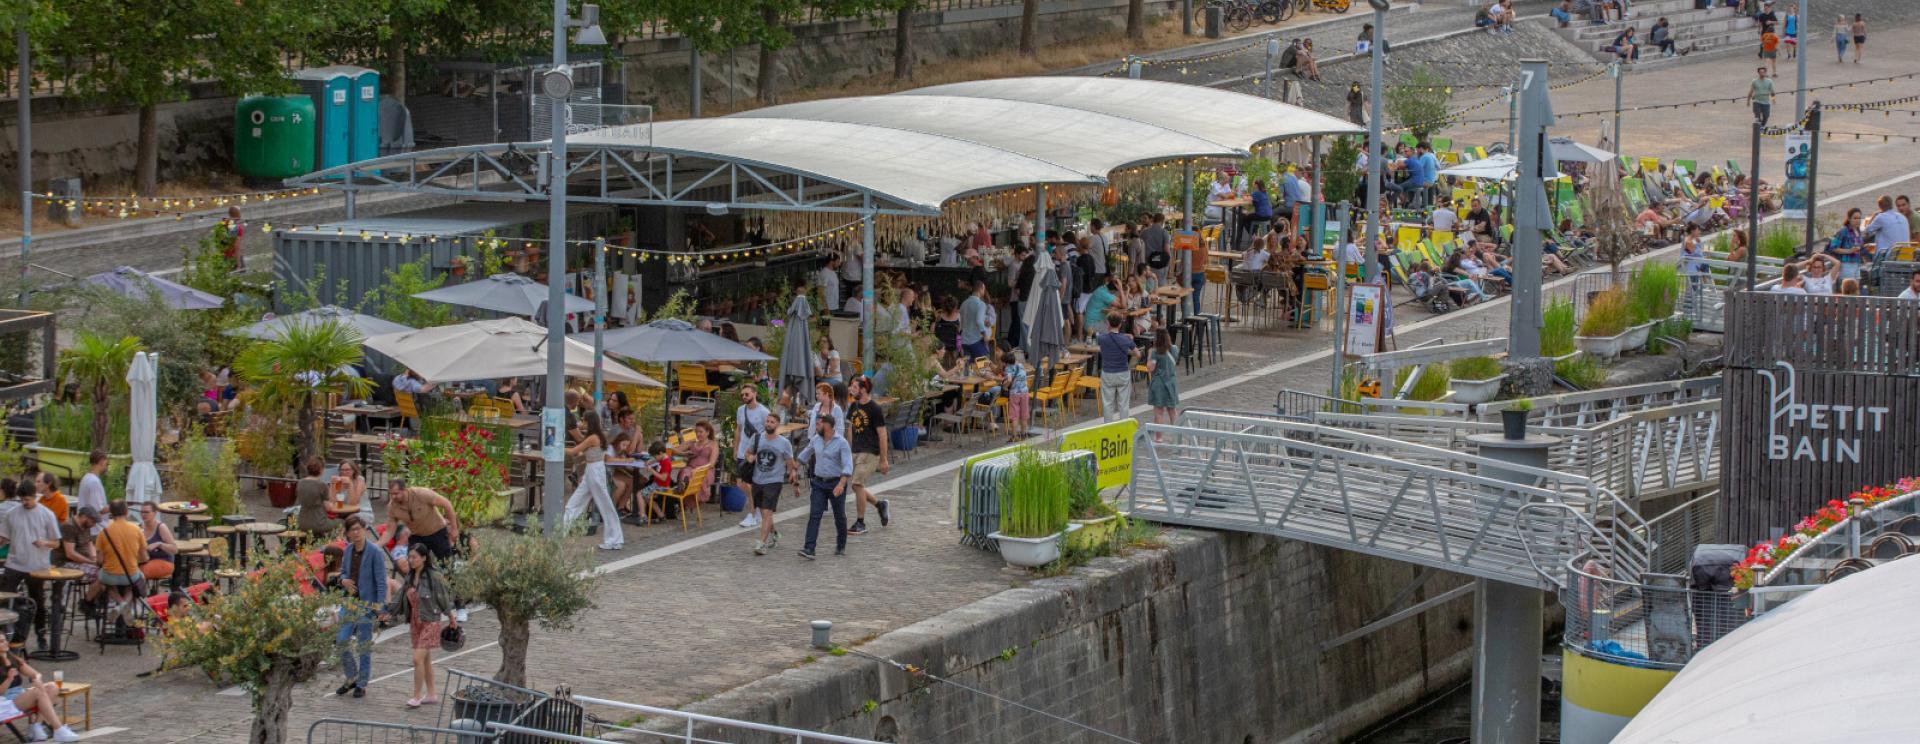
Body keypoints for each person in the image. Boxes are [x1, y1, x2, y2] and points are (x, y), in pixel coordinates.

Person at [330, 517, 387, 699]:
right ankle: (351, 676)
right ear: (347, 533)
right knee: (341, 641)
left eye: (358, 529)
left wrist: (380, 607)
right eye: (352, 530)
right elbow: (344, 572)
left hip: (366, 604)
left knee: (364, 645)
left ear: (364, 529)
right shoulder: (348, 550)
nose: (356, 533)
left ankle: (361, 683)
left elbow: (381, 582)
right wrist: (343, 580)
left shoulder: (375, 552)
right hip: (349, 602)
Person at [396, 548, 456, 708]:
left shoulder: (434, 576)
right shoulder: (409, 577)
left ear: (423, 558)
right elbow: (400, 597)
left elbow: (442, 596)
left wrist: (450, 616)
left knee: (417, 659)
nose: (410, 560)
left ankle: (416, 696)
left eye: (414, 557)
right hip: (415, 622)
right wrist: (387, 612)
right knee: (425, 659)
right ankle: (431, 694)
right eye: (409, 557)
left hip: (431, 621)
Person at [1, 482, 58, 648]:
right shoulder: (12, 514)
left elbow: (56, 543)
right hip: (14, 563)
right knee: (4, 598)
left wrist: (44, 543)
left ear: (35, 496)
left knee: (37, 600)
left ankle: (41, 634)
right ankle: (5, 634)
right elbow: (4, 537)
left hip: (37, 565)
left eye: (27, 499)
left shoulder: (46, 514)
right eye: (22, 500)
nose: (25, 503)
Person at [792, 413, 853, 561]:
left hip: (835, 483)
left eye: (818, 424)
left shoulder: (842, 442)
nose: (815, 427)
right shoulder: (815, 439)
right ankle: (809, 548)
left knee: (839, 516)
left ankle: (841, 545)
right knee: (814, 515)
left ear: (827, 425)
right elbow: (804, 455)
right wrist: (793, 469)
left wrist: (841, 483)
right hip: (819, 483)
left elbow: (847, 464)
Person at [564, 412, 621, 551]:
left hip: (595, 471)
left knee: (605, 505)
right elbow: (583, 449)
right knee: (575, 502)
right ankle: (561, 530)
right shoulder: (595, 436)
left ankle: (615, 539)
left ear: (589, 422)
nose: (581, 423)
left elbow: (574, 451)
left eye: (583, 420)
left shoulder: (593, 438)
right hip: (592, 470)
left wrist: (557, 447)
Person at [844, 377, 890, 536]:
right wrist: (850, 450)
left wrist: (883, 459)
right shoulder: (853, 405)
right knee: (858, 486)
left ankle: (860, 522)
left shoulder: (874, 409)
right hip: (856, 451)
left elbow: (882, 434)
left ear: (863, 389)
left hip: (870, 451)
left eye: (855, 387)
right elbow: (850, 428)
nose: (851, 389)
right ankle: (880, 505)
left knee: (856, 484)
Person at [0, 650, 81, 741]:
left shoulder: (12, 658)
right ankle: (58, 728)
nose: (5, 643)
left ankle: (36, 725)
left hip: (20, 695)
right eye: (1, 641)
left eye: (4, 640)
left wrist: (37, 680)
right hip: (4, 701)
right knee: (38, 692)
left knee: (52, 686)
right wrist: (9, 679)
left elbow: (36, 674)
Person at [742, 410, 792, 555]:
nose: (769, 424)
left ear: (777, 425)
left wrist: (793, 477)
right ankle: (774, 533)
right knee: (765, 514)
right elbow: (747, 452)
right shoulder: (757, 438)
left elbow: (790, 461)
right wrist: (749, 457)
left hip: (774, 481)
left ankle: (761, 544)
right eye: (767, 421)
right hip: (758, 479)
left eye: (772, 422)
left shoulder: (784, 443)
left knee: (766, 511)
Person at [94, 501, 145, 620]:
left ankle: (119, 604)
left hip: (110, 575)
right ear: (126, 512)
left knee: (107, 584)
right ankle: (125, 605)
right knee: (133, 584)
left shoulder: (104, 532)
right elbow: (144, 556)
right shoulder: (136, 529)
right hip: (130, 574)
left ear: (111, 513)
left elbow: (100, 560)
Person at [387, 478, 460, 561]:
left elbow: (447, 504)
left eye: (396, 493)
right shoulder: (392, 507)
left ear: (404, 490)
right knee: (413, 561)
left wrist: (454, 529)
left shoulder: (421, 493)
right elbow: (389, 531)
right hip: (417, 535)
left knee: (446, 563)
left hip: (436, 532)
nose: (393, 497)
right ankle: (417, 573)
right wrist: (377, 545)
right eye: (391, 494)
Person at [733, 386, 772, 529]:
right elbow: (739, 429)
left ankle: (753, 514)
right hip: (742, 451)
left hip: (755, 453)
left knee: (749, 485)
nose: (744, 396)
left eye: (747, 394)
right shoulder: (740, 410)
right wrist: (735, 447)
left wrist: (761, 453)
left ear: (754, 394)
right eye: (742, 394)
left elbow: (769, 432)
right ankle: (757, 507)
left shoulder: (763, 412)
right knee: (740, 483)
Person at [1095, 312, 1138, 423]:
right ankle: (1123, 426)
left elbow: (1097, 341)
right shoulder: (1126, 339)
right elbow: (1138, 354)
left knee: (1108, 403)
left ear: (1108, 323)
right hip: (1123, 372)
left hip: (1108, 373)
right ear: (1120, 324)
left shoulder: (1102, 338)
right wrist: (1127, 350)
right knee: (1123, 403)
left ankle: (1108, 427)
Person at [57, 506, 102, 611]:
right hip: (65, 563)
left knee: (106, 572)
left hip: (83, 561)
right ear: (84, 517)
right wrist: (90, 561)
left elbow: (89, 543)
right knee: (102, 575)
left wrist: (94, 557)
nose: (94, 524)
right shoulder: (69, 527)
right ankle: (88, 602)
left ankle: (91, 600)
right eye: (93, 521)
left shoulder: (85, 527)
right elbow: (70, 554)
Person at [1146, 330, 1179, 430]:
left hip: (1159, 383)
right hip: (1171, 382)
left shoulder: (1155, 352)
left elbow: (1150, 368)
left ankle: (1159, 437)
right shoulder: (1174, 348)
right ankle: (1176, 434)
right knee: (1172, 410)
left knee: (1159, 412)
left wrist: (1149, 355)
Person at [137, 501, 177, 583]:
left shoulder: (161, 527)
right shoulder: (139, 527)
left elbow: (174, 549)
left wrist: (159, 544)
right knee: (125, 571)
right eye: (142, 512)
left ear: (155, 513)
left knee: (136, 574)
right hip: (145, 560)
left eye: (147, 512)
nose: (143, 515)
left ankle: (140, 594)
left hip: (164, 561)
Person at [1863, 196, 1911, 261]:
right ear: (1891, 204)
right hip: (1905, 255)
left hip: (1888, 257)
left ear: (1880, 206)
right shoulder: (1903, 217)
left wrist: (1873, 215)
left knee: (1864, 252)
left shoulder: (1881, 217)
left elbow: (1867, 230)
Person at [295, 456, 332, 535]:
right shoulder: (322, 485)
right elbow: (328, 508)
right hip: (318, 522)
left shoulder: (300, 483)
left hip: (302, 521)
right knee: (342, 522)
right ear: (321, 470)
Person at [1826, 207, 1866, 282]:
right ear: (1849, 219)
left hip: (1857, 263)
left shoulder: (1858, 231)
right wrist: (1849, 251)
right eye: (1855, 218)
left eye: (1859, 218)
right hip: (1846, 264)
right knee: (1848, 290)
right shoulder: (1843, 231)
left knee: (1855, 289)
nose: (1858, 220)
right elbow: (1833, 247)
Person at [331, 460, 373, 524]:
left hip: (361, 512)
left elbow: (353, 503)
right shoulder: (339, 481)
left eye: (347, 470)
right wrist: (332, 484)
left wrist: (350, 483)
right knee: (330, 520)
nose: (344, 472)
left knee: (348, 522)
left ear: (353, 470)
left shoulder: (360, 480)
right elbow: (332, 501)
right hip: (344, 512)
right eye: (342, 470)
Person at [959, 281, 992, 359]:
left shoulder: (963, 304)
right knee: (983, 366)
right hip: (976, 340)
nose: (984, 292)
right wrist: (985, 335)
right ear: (981, 289)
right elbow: (979, 321)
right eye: (984, 289)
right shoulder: (981, 304)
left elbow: (962, 322)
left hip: (964, 341)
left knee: (969, 366)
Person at [76, 451, 108, 523]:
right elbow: (99, 510)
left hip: (87, 525)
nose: (106, 467)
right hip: (94, 528)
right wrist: (117, 506)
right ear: (101, 462)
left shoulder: (86, 478)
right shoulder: (94, 482)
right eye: (106, 464)